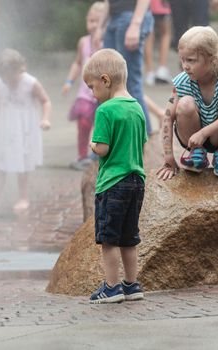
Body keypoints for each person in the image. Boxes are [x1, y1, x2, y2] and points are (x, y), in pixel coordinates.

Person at [84, 49, 147, 304]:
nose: (92, 93)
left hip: (112, 183)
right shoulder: (137, 108)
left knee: (109, 240)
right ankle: (132, 285)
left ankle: (111, 287)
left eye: (92, 86)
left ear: (105, 80)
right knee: (129, 238)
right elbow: (141, 144)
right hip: (136, 181)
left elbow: (103, 148)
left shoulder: (105, 111)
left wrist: (92, 144)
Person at [156, 26, 218, 181]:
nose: (185, 66)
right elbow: (168, 117)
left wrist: (203, 133)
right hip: (190, 137)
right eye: (182, 59)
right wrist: (169, 158)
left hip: (217, 137)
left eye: (191, 60)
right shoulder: (183, 81)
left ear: (212, 60)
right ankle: (197, 153)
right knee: (185, 104)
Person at [0, 49, 51, 211]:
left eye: (12, 77)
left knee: (22, 165)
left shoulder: (30, 82)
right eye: (5, 78)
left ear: (20, 69)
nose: (8, 82)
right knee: (0, 164)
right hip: (5, 128)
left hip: (24, 130)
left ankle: (23, 197)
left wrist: (45, 118)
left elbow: (46, 101)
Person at [94, 0, 154, 134]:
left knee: (130, 84)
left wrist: (135, 24)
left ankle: (144, 142)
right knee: (105, 83)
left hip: (131, 17)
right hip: (114, 18)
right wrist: (100, 27)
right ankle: (110, 140)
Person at [62, 1, 105, 171]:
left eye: (97, 21)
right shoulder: (83, 42)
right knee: (83, 123)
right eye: (91, 21)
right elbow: (78, 63)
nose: (93, 25)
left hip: (102, 94)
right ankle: (82, 156)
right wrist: (68, 82)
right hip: (85, 93)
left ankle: (99, 155)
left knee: (101, 125)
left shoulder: (106, 42)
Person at [144, 0, 172, 86]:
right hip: (161, 5)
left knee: (148, 35)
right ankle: (162, 68)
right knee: (166, 33)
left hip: (146, 5)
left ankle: (150, 72)